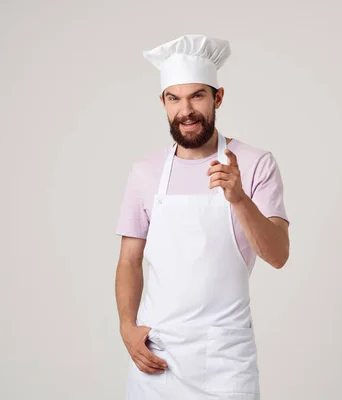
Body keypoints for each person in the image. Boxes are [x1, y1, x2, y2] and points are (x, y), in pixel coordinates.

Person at [114, 34, 290, 399]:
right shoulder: (145, 171)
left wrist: (239, 199)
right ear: (163, 103)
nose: (186, 110)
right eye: (174, 98)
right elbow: (129, 260)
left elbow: (278, 255)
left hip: (225, 360)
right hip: (157, 354)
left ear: (218, 97)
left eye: (197, 95)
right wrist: (127, 328)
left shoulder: (256, 163)